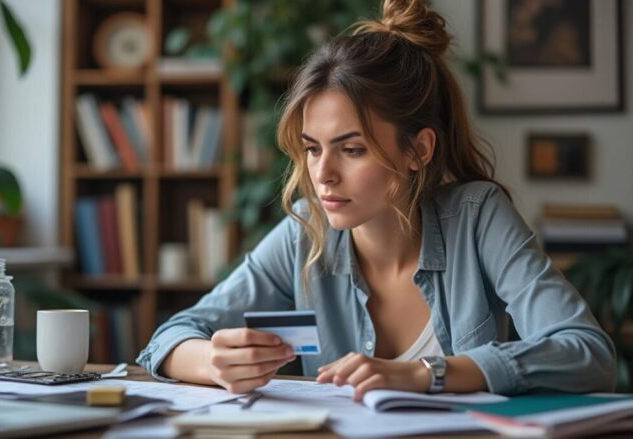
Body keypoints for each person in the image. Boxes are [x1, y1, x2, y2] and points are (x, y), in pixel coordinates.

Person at [136, 0, 616, 400]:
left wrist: (428, 373)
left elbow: (586, 353)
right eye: (311, 148)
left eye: (352, 149)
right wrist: (213, 361)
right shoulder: (306, 232)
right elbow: (170, 338)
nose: (322, 174)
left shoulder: (478, 216)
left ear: (418, 150)